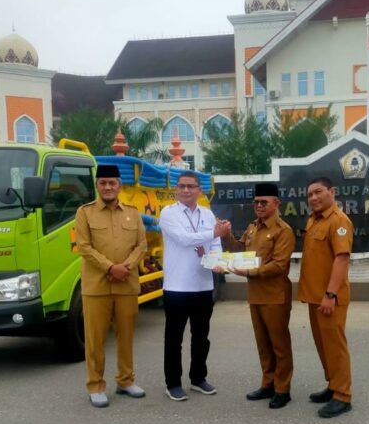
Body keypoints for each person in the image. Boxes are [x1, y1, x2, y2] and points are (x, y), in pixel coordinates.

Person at [75, 164, 147, 408]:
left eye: (112, 183)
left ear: (119, 185)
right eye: (103, 183)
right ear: (97, 185)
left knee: (126, 337)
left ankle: (126, 381)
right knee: (95, 340)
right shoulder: (85, 213)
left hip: (126, 285)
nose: (107, 187)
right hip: (97, 287)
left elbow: (141, 245)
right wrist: (110, 268)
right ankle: (95, 385)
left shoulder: (133, 213)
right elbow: (84, 247)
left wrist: (125, 267)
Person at [159, 171, 230, 401]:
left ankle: (198, 378)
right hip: (176, 287)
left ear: (200, 190)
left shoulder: (207, 214)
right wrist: (213, 232)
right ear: (176, 189)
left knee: (201, 336)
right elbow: (183, 239)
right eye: (181, 186)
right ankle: (173, 383)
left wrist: (218, 261)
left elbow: (216, 243)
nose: (186, 190)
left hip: (203, 285)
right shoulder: (168, 213)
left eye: (191, 186)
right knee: (174, 338)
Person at [225, 183, 295, 409]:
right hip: (255, 294)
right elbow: (239, 251)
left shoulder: (283, 230)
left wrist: (249, 272)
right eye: (256, 202)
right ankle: (268, 384)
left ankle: (282, 389)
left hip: (275, 295)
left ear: (276, 203)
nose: (259, 206)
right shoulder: (253, 227)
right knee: (263, 344)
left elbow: (279, 265)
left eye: (264, 202)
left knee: (279, 345)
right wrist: (226, 236)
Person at [298, 176, 354, 418]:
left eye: (318, 192)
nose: (313, 197)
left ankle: (343, 395)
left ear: (332, 192)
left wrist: (331, 294)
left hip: (330, 297)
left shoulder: (339, 221)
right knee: (323, 345)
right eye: (310, 194)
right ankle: (333, 385)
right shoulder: (314, 219)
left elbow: (342, 259)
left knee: (335, 346)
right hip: (315, 296)